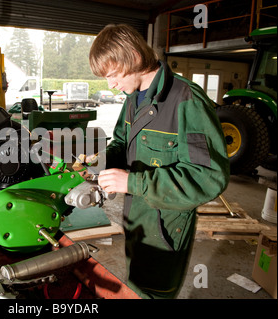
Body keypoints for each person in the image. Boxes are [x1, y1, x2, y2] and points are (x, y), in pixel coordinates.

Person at [87, 24, 230, 298]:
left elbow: (208, 176)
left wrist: (133, 182)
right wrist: (100, 163)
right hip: (137, 218)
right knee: (137, 287)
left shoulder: (187, 100)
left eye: (113, 74)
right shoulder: (133, 98)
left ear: (133, 56)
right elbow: (121, 141)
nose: (111, 85)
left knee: (155, 292)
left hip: (166, 225)